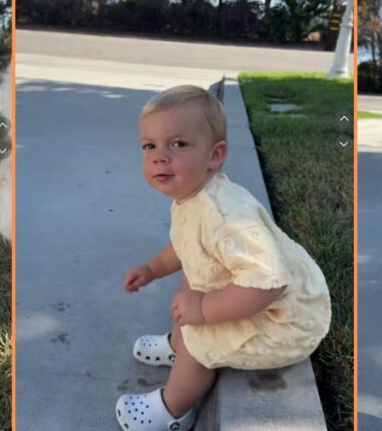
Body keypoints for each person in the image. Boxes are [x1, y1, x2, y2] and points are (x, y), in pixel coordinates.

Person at [116, 85, 331, 431]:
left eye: (178, 144)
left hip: (285, 323)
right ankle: (176, 344)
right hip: (265, 298)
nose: (159, 156)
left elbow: (269, 283)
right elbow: (185, 245)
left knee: (199, 338)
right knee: (192, 283)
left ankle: (172, 410)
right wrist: (152, 268)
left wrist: (203, 310)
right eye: (149, 146)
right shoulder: (193, 196)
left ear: (215, 156)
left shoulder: (225, 217)